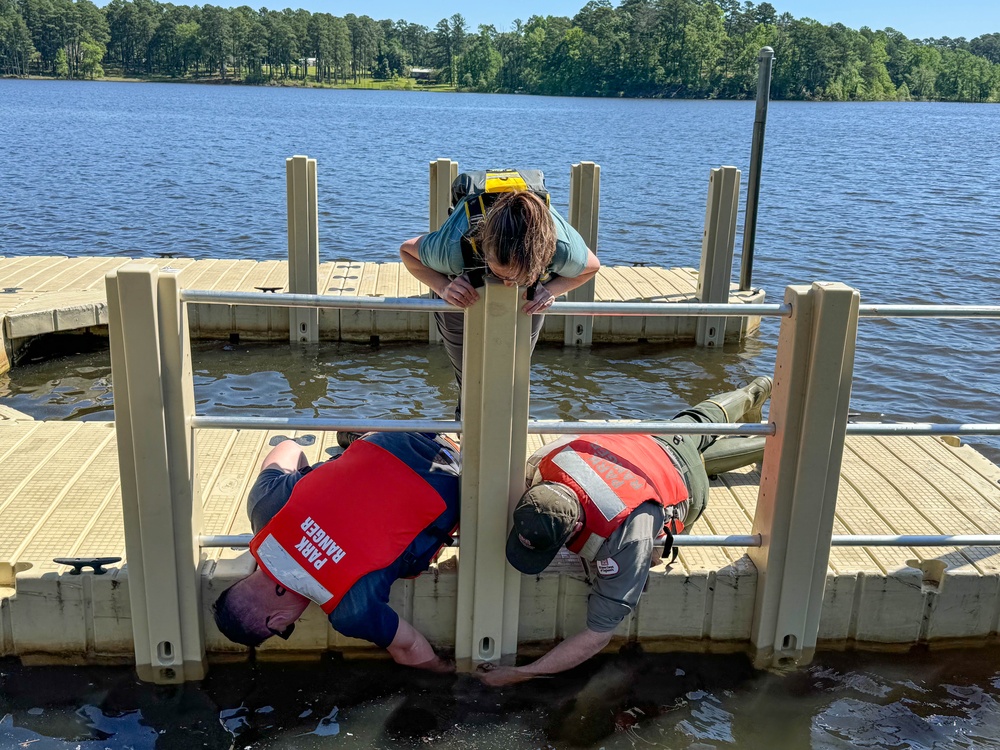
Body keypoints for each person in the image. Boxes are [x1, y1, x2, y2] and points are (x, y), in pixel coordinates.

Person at [479, 377, 774, 686]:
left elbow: (596, 637)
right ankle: (757, 388)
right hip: (651, 442)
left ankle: (774, 440)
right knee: (696, 422)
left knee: (708, 462)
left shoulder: (624, 537)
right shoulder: (547, 460)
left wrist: (519, 674)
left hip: (685, 485)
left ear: (577, 528)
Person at [212, 431, 460, 673]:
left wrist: (448, 670)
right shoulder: (265, 510)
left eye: (288, 627)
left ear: (277, 622)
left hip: (455, 476)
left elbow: (410, 650)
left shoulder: (351, 611)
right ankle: (354, 436)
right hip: (394, 437)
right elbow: (288, 447)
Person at [399, 170, 601, 391]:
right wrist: (443, 287)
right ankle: (465, 414)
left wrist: (552, 289)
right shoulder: (453, 248)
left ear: (542, 260)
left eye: (517, 278)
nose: (506, 285)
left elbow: (592, 267)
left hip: (530, 292)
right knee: (469, 379)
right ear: (485, 252)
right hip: (461, 285)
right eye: (500, 274)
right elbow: (407, 251)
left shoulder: (563, 250)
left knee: (514, 375)